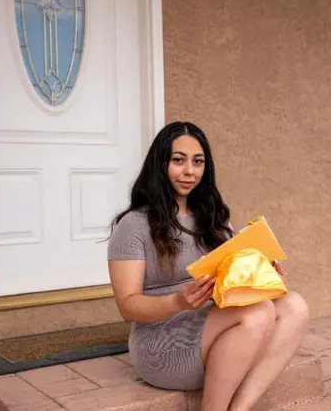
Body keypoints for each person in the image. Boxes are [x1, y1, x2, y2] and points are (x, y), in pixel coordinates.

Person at [107, 121, 309, 411]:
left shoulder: (213, 217)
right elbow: (127, 306)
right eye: (179, 160)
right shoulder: (134, 226)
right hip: (162, 341)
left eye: (198, 162)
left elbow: (230, 278)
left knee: (295, 306)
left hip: (213, 322)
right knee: (257, 313)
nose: (190, 171)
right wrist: (178, 301)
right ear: (160, 164)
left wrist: (261, 272)